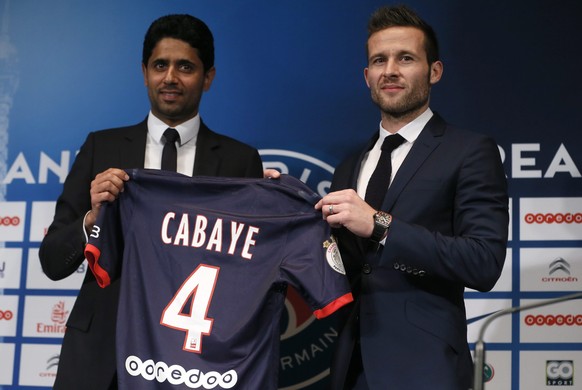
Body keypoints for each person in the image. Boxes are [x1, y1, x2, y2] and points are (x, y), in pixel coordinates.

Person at [39, 14, 263, 390]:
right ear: (144, 72)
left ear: (208, 77)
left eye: (186, 67)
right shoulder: (102, 147)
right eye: (160, 65)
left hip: (196, 355)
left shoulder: (240, 162)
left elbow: (250, 269)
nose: (171, 78)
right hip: (101, 355)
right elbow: (52, 261)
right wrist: (92, 219)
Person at [314, 5, 509, 389]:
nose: (390, 70)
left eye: (405, 58)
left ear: (434, 71)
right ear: (366, 76)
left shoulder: (470, 151)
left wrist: (381, 226)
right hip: (351, 367)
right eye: (379, 60)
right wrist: (282, 205)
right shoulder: (350, 166)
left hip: (426, 368)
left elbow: (484, 262)